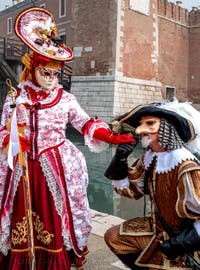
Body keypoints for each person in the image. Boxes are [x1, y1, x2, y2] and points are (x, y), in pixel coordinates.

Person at [0, 7, 135, 270]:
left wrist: (110, 137)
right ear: (33, 69)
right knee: (21, 214)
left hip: (56, 166)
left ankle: (53, 258)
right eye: (46, 73)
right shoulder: (16, 97)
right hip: (24, 166)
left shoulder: (66, 99)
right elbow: (4, 129)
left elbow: (84, 123)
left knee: (55, 215)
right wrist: (14, 141)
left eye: (55, 74)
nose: (51, 79)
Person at [104, 101, 200, 269]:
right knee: (114, 237)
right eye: (141, 124)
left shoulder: (186, 166)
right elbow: (132, 191)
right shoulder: (150, 158)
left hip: (183, 239)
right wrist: (120, 159)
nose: (140, 130)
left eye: (150, 123)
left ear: (166, 128)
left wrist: (182, 242)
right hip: (156, 228)